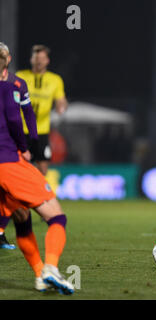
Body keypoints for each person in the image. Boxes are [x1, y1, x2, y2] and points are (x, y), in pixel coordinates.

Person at [0, 52, 74, 294]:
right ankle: (51, 268)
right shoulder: (10, 86)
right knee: (56, 217)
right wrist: (24, 147)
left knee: (21, 217)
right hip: (8, 161)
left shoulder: (18, 83)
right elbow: (15, 118)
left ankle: (40, 275)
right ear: (8, 61)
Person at [0, 42, 39, 250]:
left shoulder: (18, 83)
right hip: (9, 146)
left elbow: (28, 113)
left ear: (9, 59)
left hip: (9, 145)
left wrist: (32, 139)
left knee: (10, 193)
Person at [16, 44, 68, 176]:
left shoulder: (55, 80)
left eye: (42, 58)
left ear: (47, 61)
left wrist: (61, 106)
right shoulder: (20, 76)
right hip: (20, 130)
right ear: (31, 59)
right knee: (18, 167)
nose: (39, 61)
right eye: (36, 57)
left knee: (43, 168)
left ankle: (38, 195)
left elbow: (61, 99)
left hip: (41, 131)